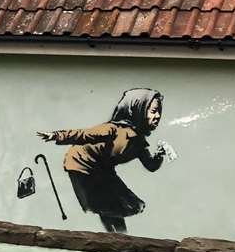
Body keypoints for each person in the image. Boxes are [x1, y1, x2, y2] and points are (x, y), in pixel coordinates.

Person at [37, 89, 167, 233]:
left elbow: (151, 165)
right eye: (154, 111)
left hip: (103, 168)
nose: (157, 116)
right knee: (104, 205)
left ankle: (121, 237)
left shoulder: (139, 141)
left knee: (124, 203)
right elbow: (83, 135)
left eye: (159, 112)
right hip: (82, 164)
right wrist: (56, 136)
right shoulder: (113, 129)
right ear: (137, 109)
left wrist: (160, 154)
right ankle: (115, 238)